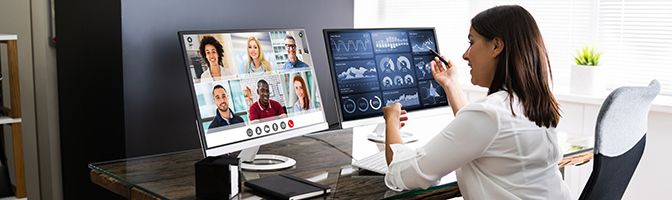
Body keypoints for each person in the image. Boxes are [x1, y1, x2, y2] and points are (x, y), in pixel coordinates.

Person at [382, 5, 570, 200]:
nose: (465, 54)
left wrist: (392, 121)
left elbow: (404, 174)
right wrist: (451, 84)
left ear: (496, 46)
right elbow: (482, 135)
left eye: (471, 42)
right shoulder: (533, 104)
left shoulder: (490, 115)